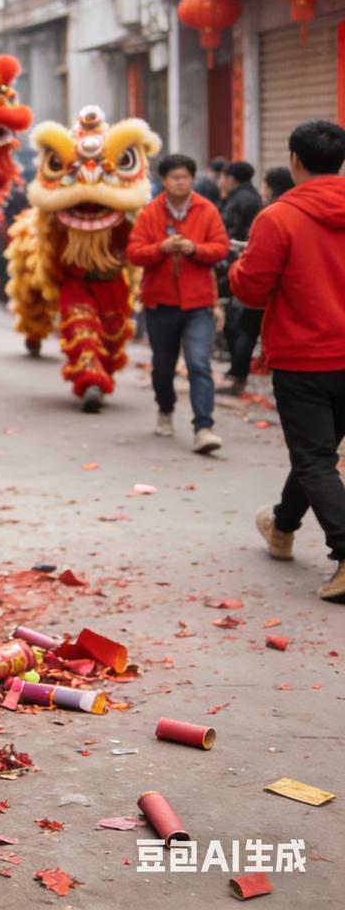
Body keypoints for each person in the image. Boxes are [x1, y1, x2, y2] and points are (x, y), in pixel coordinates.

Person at [230, 120, 345, 604]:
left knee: (314, 456)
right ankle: (281, 527)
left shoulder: (279, 218)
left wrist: (238, 267)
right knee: (315, 451)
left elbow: (251, 288)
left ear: (295, 161)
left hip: (306, 358)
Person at [127, 153, 229, 453]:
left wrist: (194, 248)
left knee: (199, 363)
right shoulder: (151, 213)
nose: (181, 182)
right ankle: (165, 409)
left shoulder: (206, 210)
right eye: (175, 177)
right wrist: (161, 248)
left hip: (199, 303)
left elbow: (221, 248)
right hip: (160, 302)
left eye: (185, 177)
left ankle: (204, 427)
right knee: (162, 366)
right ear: (164, 180)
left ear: (192, 179)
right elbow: (134, 252)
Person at [217, 161, 264, 395]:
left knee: (241, 325)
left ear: (231, 178)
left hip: (239, 268)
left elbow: (229, 235)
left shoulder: (238, 201)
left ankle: (237, 373)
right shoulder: (253, 199)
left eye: (223, 177)